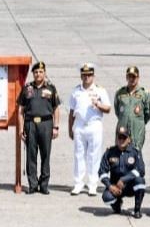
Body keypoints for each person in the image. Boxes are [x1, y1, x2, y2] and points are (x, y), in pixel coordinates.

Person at [69, 62, 111, 196]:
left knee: (94, 155)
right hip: (80, 125)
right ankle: (78, 183)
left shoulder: (100, 90)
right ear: (81, 76)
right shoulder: (76, 91)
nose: (86, 77)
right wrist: (70, 128)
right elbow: (71, 112)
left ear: (93, 76)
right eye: (84, 75)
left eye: (89, 75)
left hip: (94, 125)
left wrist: (99, 105)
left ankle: (92, 184)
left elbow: (108, 108)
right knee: (79, 155)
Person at [18, 60, 59, 195]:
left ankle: (44, 184)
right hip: (30, 124)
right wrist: (21, 128)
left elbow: (56, 109)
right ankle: (33, 184)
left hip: (46, 124)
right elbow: (21, 111)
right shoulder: (27, 88)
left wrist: (56, 127)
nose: (38, 74)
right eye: (35, 72)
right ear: (33, 74)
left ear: (45, 73)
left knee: (45, 155)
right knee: (31, 155)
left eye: (41, 72)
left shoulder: (51, 88)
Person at [99, 126, 146, 218]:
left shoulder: (135, 152)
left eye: (124, 138)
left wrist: (124, 179)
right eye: (119, 137)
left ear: (129, 139)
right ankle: (117, 205)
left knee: (140, 182)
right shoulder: (109, 152)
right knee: (107, 198)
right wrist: (110, 186)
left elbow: (141, 170)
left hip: (130, 186)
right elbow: (102, 172)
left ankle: (137, 210)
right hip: (115, 186)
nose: (121, 140)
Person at [114, 65, 150, 152]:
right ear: (126, 77)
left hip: (137, 131)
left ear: (138, 77)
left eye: (134, 76)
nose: (131, 79)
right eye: (129, 76)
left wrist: (138, 122)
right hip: (122, 129)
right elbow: (117, 111)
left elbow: (148, 113)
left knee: (136, 153)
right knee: (120, 154)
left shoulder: (144, 94)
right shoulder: (120, 93)